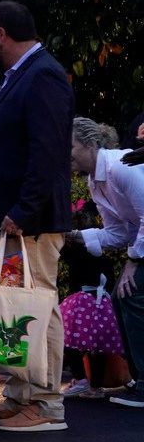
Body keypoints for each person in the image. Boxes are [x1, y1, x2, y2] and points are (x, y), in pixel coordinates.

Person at [0, 0, 73, 432]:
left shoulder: (42, 75)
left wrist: (24, 211)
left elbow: (47, 153)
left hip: (30, 223)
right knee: (12, 308)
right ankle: (20, 395)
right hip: (12, 221)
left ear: (1, 34)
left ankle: (47, 404)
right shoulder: (24, 75)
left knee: (38, 304)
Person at [65, 117, 144, 408]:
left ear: (89, 144)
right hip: (141, 245)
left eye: (69, 146)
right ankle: (137, 378)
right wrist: (74, 236)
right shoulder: (95, 180)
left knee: (132, 295)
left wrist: (133, 262)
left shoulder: (121, 166)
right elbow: (118, 232)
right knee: (118, 302)